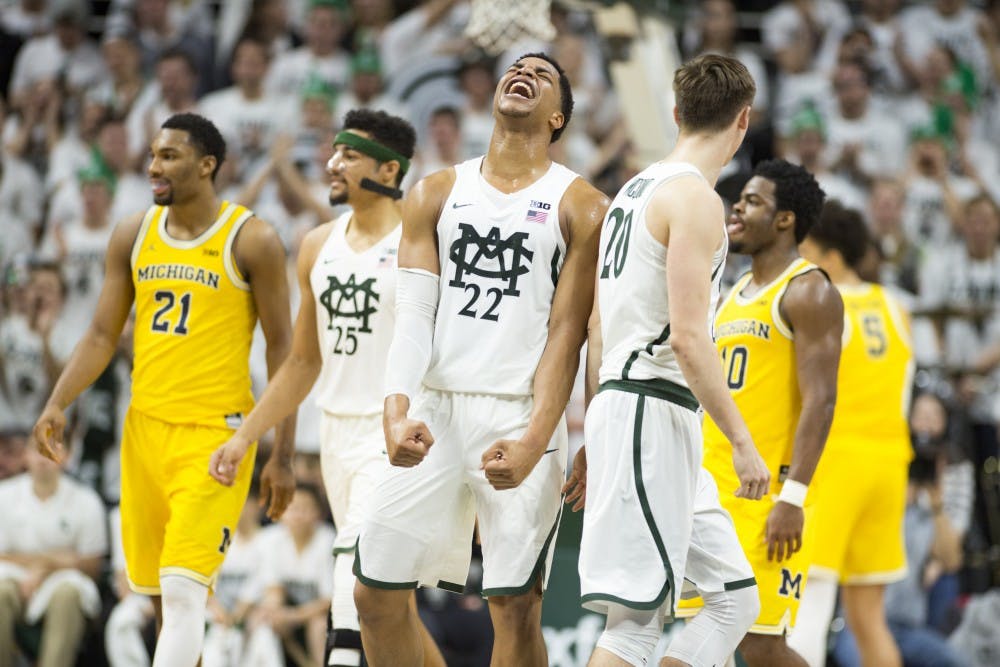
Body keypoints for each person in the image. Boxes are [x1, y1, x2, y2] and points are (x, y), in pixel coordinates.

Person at [350, 52, 609, 667]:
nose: (524, 74)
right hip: (435, 407)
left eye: (543, 76)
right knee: (374, 593)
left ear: (557, 117)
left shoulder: (582, 205)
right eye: (517, 68)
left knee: (515, 609)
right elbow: (412, 318)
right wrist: (395, 411)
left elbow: (567, 335)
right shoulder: (435, 191)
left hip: (520, 414)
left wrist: (538, 437)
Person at [32, 112, 296, 667]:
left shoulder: (253, 239)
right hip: (144, 431)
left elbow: (284, 355)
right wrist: (58, 401)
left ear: (207, 166)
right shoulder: (133, 232)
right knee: (161, 604)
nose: (154, 166)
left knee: (181, 592)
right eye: (153, 155)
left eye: (169, 156)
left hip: (217, 436)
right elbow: (103, 333)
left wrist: (283, 454)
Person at [209, 108, 444, 667]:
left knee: (348, 575)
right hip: (335, 436)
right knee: (388, 608)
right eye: (334, 153)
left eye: (349, 155)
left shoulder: (421, 239)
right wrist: (255, 442)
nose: (332, 165)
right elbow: (301, 362)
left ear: (388, 172)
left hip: (396, 434)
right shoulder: (316, 244)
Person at [564, 53, 769, 667]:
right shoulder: (697, 201)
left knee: (735, 601)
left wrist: (597, 426)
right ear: (744, 121)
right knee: (634, 628)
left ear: (677, 114)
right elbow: (687, 338)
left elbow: (599, 323)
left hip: (637, 411)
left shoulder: (632, 189)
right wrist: (741, 441)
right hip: (649, 411)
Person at [676, 158, 842, 667]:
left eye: (752, 201)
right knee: (713, 635)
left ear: (785, 218)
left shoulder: (809, 290)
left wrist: (793, 497)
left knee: (762, 644)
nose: (737, 210)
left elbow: (822, 400)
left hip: (770, 498)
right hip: (712, 494)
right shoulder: (730, 295)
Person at [788, 201, 913, 667]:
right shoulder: (897, 307)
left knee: (809, 607)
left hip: (836, 463)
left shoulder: (825, 304)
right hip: (888, 465)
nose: (800, 263)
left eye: (808, 253)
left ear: (832, 258)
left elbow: (808, 396)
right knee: (867, 618)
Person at [0, 442, 108, 667]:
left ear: (67, 456)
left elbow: (93, 565)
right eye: (37, 450)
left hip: (64, 581)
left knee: (68, 594)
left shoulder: (87, 501)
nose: (43, 458)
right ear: (25, 455)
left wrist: (44, 569)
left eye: (52, 450)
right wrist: (54, 560)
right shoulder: (4, 495)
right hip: (14, 579)